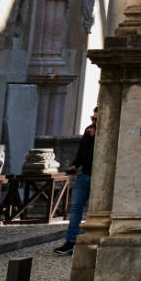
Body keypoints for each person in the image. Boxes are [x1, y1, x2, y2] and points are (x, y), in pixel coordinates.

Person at [55, 109, 97, 255]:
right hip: (84, 175)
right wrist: (74, 165)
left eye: (96, 120)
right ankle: (71, 241)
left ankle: (93, 241)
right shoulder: (88, 132)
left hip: (99, 177)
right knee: (75, 209)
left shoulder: (107, 132)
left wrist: (96, 137)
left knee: (97, 212)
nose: (93, 122)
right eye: (92, 118)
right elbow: (82, 152)